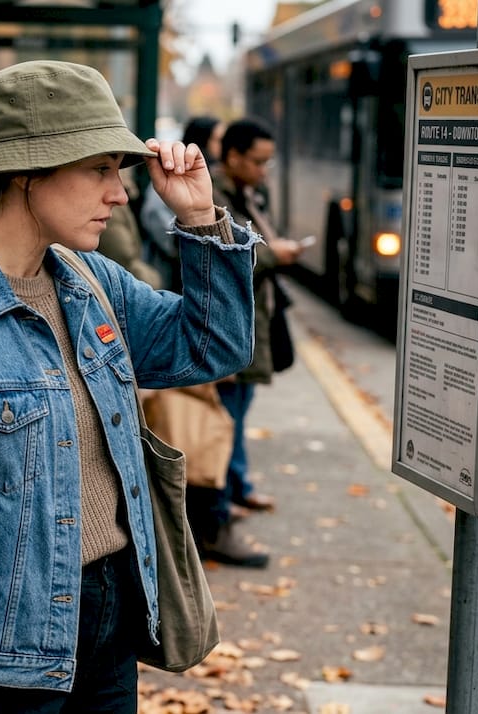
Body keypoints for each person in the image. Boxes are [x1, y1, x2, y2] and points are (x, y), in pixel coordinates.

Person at [0, 60, 260, 713]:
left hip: (108, 629)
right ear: (26, 171)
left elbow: (214, 345)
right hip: (1, 661)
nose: (119, 193)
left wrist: (203, 220)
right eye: (98, 169)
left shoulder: (89, 283)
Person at [189, 118, 304, 566]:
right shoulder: (214, 196)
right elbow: (230, 256)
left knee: (234, 416)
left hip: (249, 324)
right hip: (230, 326)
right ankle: (217, 514)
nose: (264, 170)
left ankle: (229, 496)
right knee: (222, 421)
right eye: (258, 161)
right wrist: (277, 255)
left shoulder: (249, 194)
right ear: (233, 156)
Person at [140, 116, 224, 293]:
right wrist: (181, 238)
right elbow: (154, 214)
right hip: (169, 271)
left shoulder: (215, 174)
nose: (222, 145)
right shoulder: (178, 172)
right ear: (204, 139)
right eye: (218, 139)